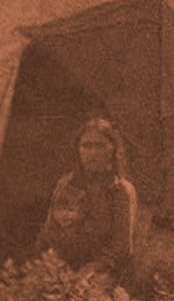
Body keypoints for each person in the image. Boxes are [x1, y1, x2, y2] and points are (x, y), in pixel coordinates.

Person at [37, 116, 136, 287]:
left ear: (112, 149)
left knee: (87, 289)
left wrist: (92, 268)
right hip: (65, 264)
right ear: (78, 149)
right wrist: (55, 264)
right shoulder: (66, 183)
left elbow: (121, 248)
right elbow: (50, 231)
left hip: (104, 270)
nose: (92, 153)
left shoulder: (120, 190)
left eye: (99, 146)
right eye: (86, 146)